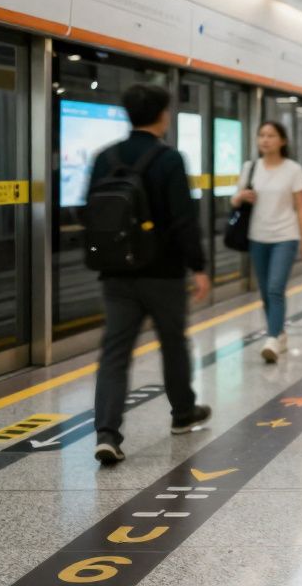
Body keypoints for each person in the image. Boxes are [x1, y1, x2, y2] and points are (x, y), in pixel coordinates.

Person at [90, 83, 211, 464]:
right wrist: (199, 266)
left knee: (114, 353)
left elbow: (92, 214)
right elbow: (183, 221)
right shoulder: (169, 159)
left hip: (115, 273)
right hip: (163, 273)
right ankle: (182, 413)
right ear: (163, 115)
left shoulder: (104, 158)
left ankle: (107, 433)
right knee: (173, 342)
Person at [232, 121, 302, 364]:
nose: (265, 140)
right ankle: (280, 334)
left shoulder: (293, 169)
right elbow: (234, 201)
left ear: (282, 141)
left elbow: (301, 207)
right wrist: (240, 197)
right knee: (266, 292)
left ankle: (272, 337)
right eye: (262, 135)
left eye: (271, 135)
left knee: (276, 288)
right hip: (257, 237)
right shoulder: (250, 168)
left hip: (285, 237)